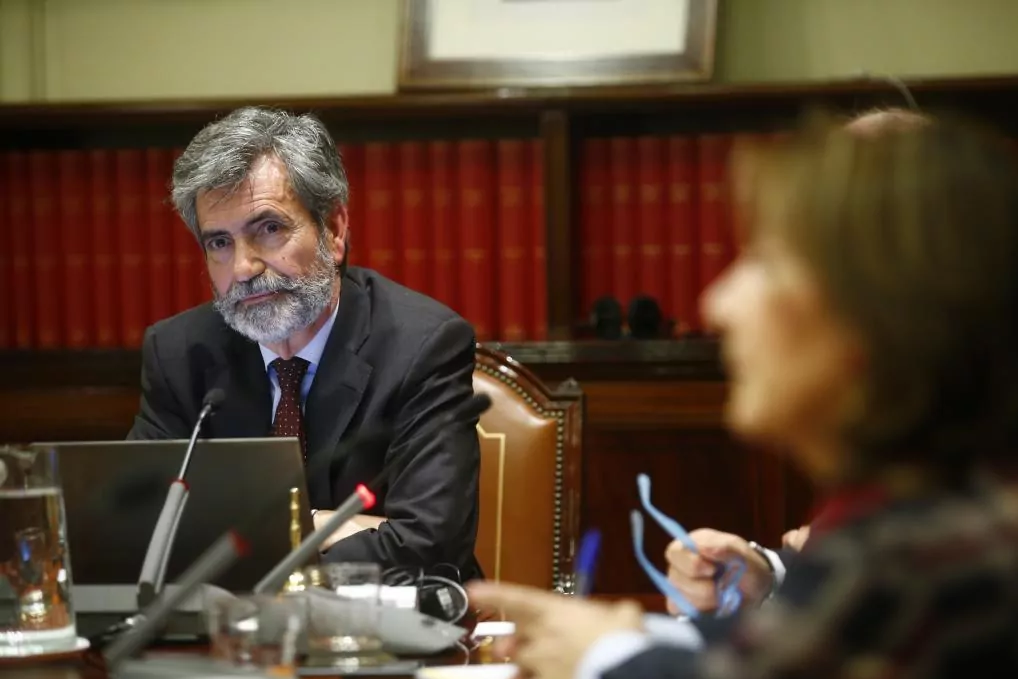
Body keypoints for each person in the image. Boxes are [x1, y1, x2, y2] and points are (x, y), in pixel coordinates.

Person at [468, 111, 1018, 678]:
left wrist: (603, 653)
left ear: (878, 314)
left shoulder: (912, 553)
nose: (716, 304)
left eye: (767, 264)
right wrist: (758, 578)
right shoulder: (946, 508)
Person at [127, 106, 482, 580]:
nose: (243, 268)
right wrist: (325, 526)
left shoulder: (423, 346)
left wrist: (252, 543)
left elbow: (427, 546)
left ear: (334, 230)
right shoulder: (179, 354)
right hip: (231, 626)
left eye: (269, 229)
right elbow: (138, 527)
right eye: (219, 243)